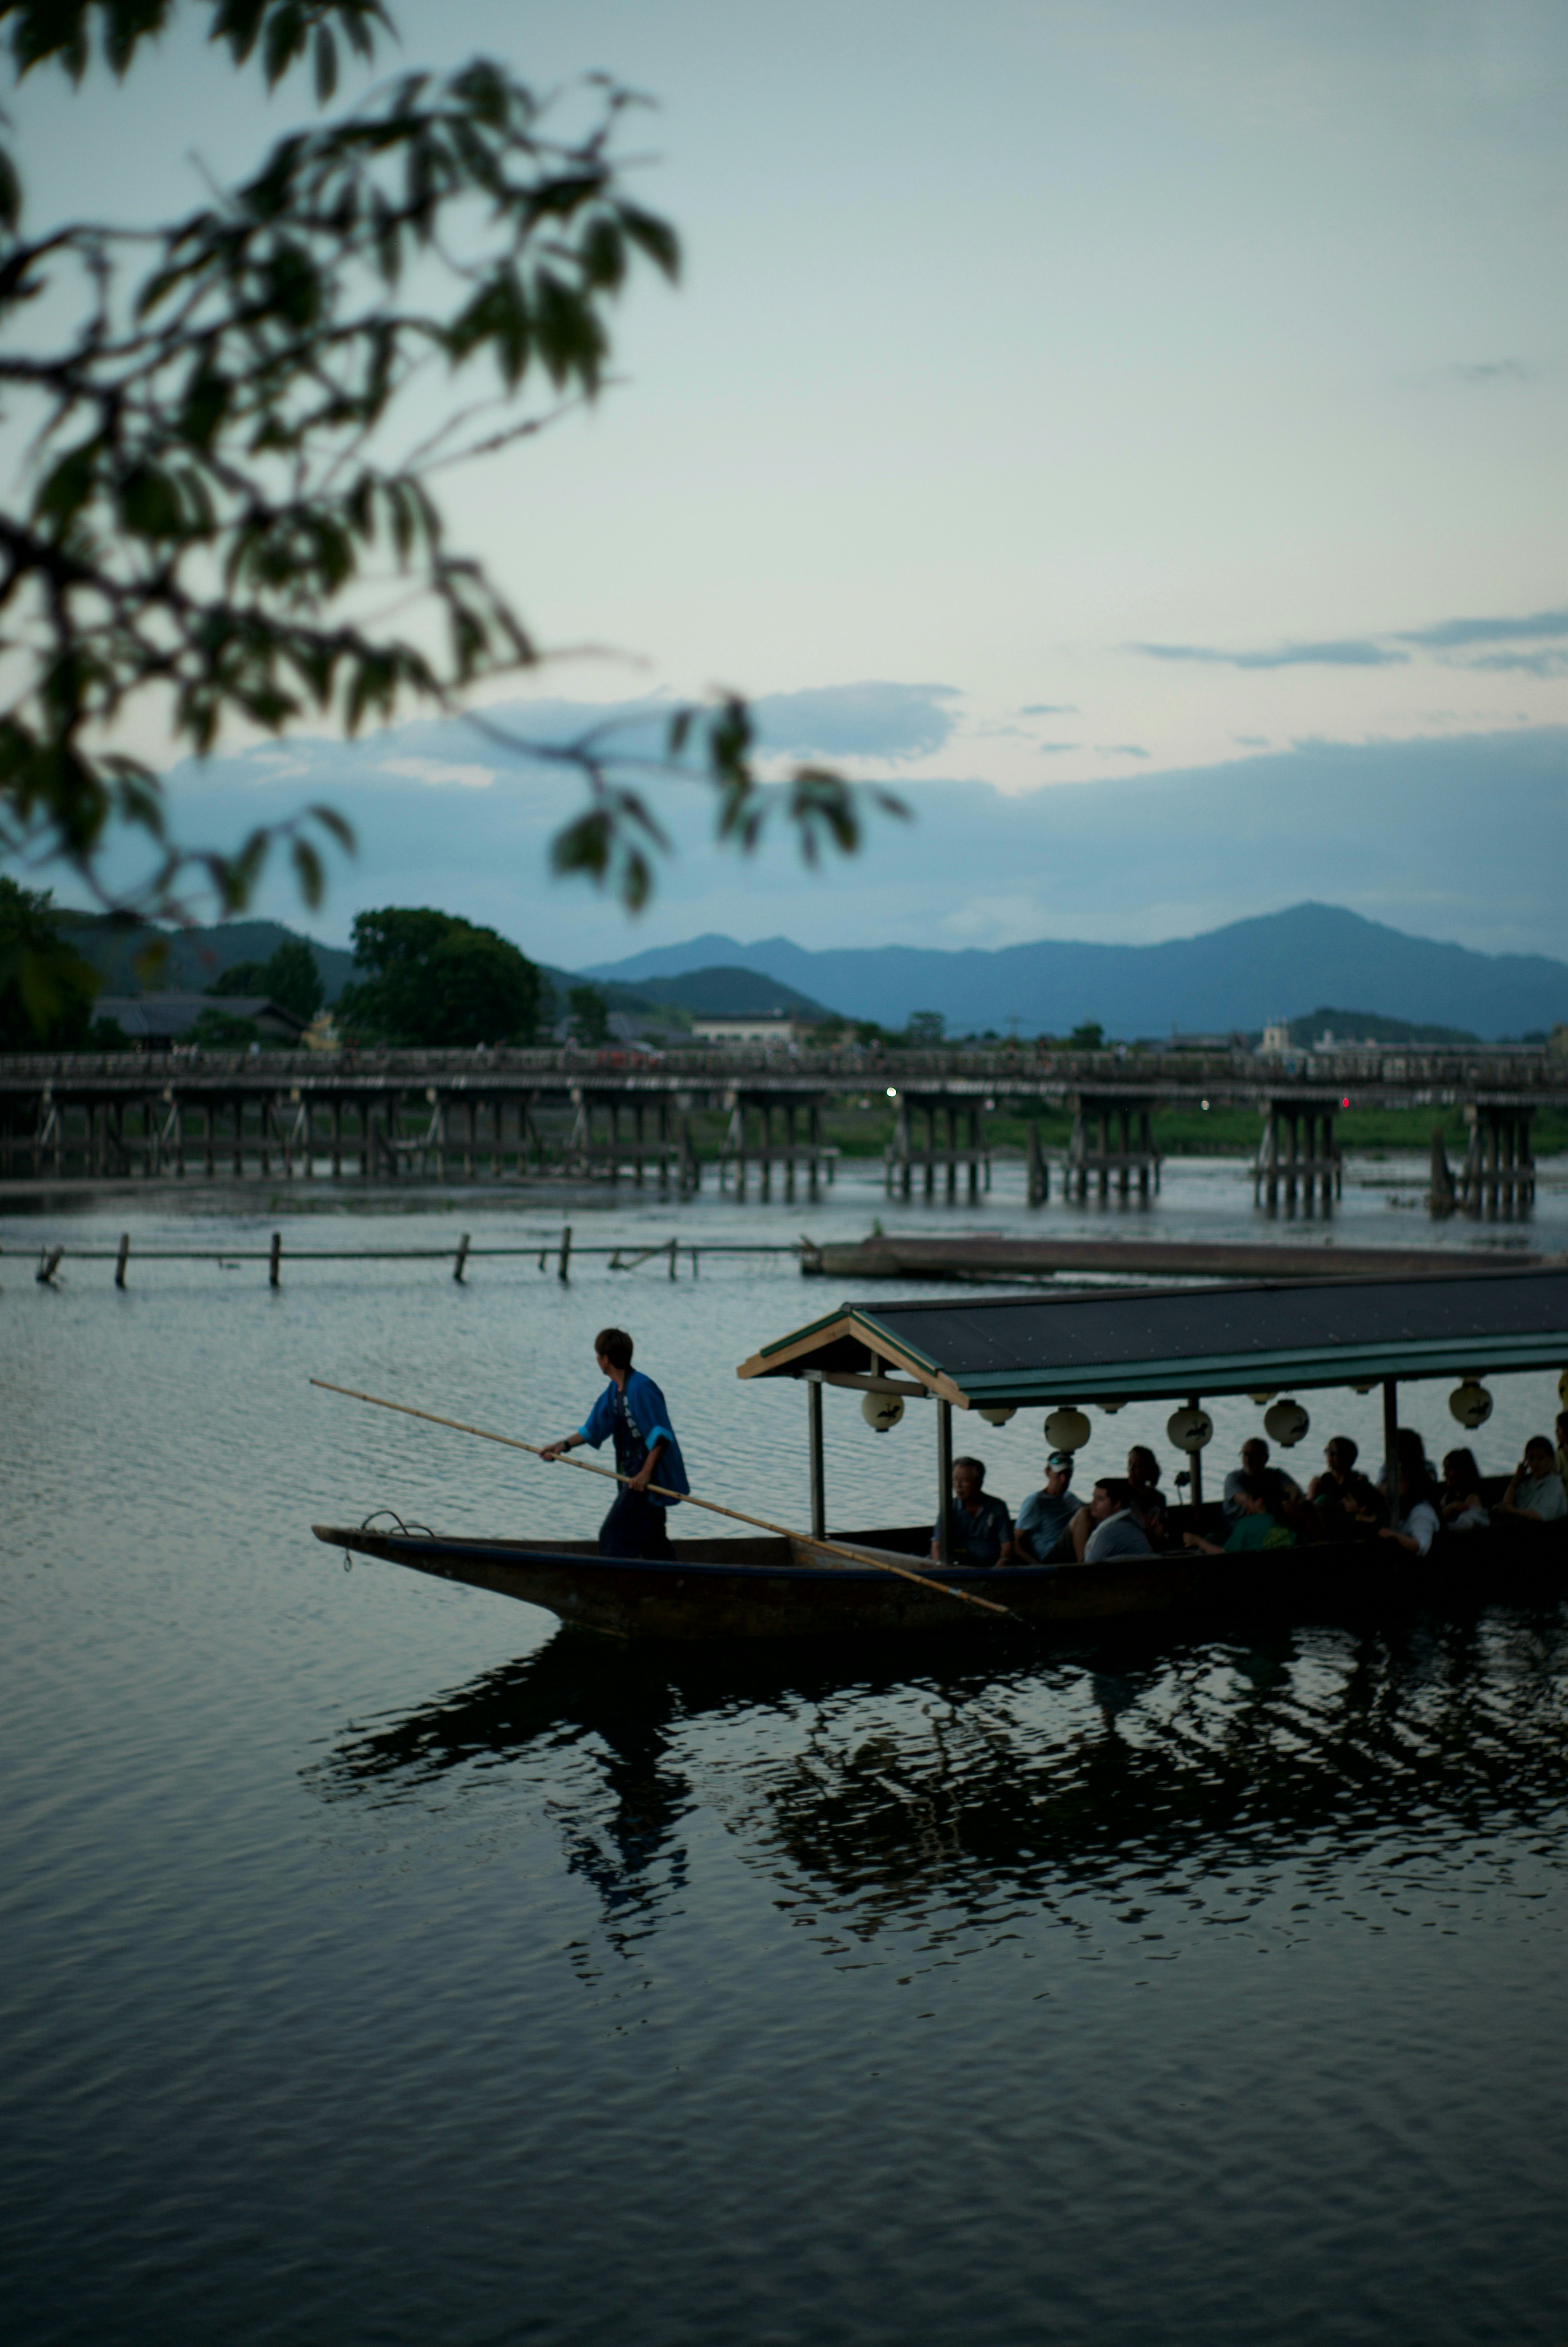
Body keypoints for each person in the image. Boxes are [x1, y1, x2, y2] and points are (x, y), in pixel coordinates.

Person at [540, 1326, 690, 1559]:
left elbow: (661, 1437)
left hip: (644, 1478)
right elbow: (594, 1428)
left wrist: (645, 1474)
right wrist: (562, 1446)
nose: (597, 1361)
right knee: (652, 1536)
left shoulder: (641, 1388)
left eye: (598, 1356)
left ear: (606, 1359)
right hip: (630, 1473)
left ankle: (620, 1587)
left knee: (613, 1534)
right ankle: (675, 1584)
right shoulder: (615, 1392)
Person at [1185, 1470, 1294, 1555]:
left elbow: (1224, 1554)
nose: (1245, 1505)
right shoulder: (1292, 1520)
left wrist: (1198, 1541)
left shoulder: (1247, 1525)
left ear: (1259, 1502)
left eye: (1249, 1500)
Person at [931, 1456, 1016, 1565]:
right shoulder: (949, 1508)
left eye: (965, 1481)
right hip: (958, 1569)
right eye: (956, 1480)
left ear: (979, 1483)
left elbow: (1007, 1545)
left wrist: (1000, 1566)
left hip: (992, 1567)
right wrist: (943, 1569)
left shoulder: (997, 1507)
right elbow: (936, 1546)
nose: (959, 1486)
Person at [1307, 1436, 1386, 1539]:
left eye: (1334, 1453)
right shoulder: (1322, 1481)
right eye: (1328, 1452)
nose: (1330, 1457)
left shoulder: (1359, 1483)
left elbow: (1376, 1511)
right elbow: (1310, 1506)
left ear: (1348, 1457)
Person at [1015, 1448, 1084, 1563]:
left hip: (1074, 1548)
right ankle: (1085, 1566)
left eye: (1067, 1474)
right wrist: (1036, 1567)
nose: (1064, 1480)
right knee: (1084, 1514)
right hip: (1053, 1555)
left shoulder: (1070, 1498)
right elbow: (1015, 1542)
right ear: (1048, 1472)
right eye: (1059, 1475)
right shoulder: (1036, 1501)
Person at [1069, 1477, 1153, 1564]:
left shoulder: (1109, 1534)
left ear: (1117, 1504)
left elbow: (1089, 1569)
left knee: (1083, 1513)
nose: (1093, 1503)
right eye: (1094, 1498)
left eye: (1100, 1499)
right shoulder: (1133, 1523)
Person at [1223, 1437, 1300, 1526]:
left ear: (1265, 1458)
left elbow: (1293, 1489)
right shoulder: (1234, 1479)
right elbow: (1246, 1501)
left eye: (1253, 1456)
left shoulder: (1276, 1475)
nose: (1248, 1460)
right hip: (1240, 1528)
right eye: (1245, 1455)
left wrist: (1292, 1503)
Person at [1498, 1436, 1568, 1525]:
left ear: (1552, 1459)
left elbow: (1539, 1516)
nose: (1536, 1463)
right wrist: (1516, 1479)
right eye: (1531, 1458)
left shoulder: (1554, 1485)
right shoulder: (1528, 1483)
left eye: (1541, 1458)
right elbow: (1507, 1504)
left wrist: (1513, 1511)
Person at [1379, 1462, 1442, 1558]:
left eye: (1399, 1480)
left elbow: (1420, 1546)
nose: (1393, 1484)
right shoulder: (1400, 1507)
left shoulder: (1422, 1512)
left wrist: (1393, 1535)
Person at [1125, 1445, 1171, 1550]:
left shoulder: (1159, 1498)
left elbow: (1163, 1526)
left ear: (1148, 1470)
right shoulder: (1122, 1493)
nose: (1131, 1469)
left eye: (1137, 1466)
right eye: (1129, 1464)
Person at [1439, 1447, 1489, 1532]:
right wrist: (1451, 1508)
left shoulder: (1473, 1498)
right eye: (1445, 1469)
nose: (1445, 1473)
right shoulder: (1449, 1496)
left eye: (1449, 1469)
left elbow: (1464, 1526)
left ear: (1462, 1471)